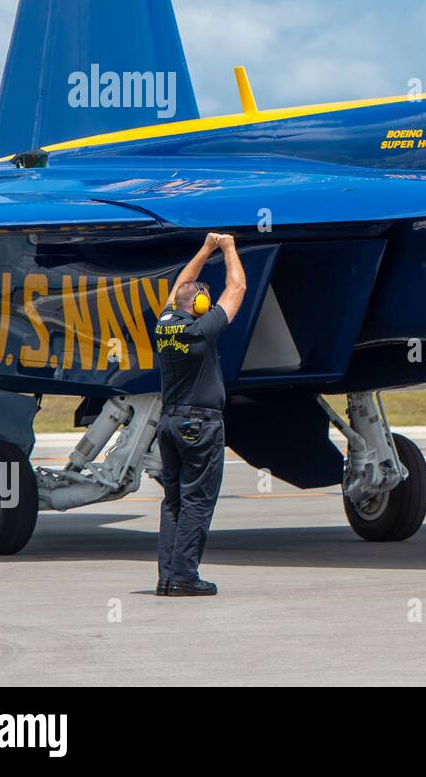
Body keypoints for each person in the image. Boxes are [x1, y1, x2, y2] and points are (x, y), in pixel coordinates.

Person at [154, 232, 246, 597]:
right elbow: (237, 287)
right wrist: (229, 249)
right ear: (203, 305)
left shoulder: (165, 324)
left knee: (173, 501)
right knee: (197, 501)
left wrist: (205, 248)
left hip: (169, 423)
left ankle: (168, 577)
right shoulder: (201, 330)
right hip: (200, 425)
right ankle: (185, 577)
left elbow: (180, 287)